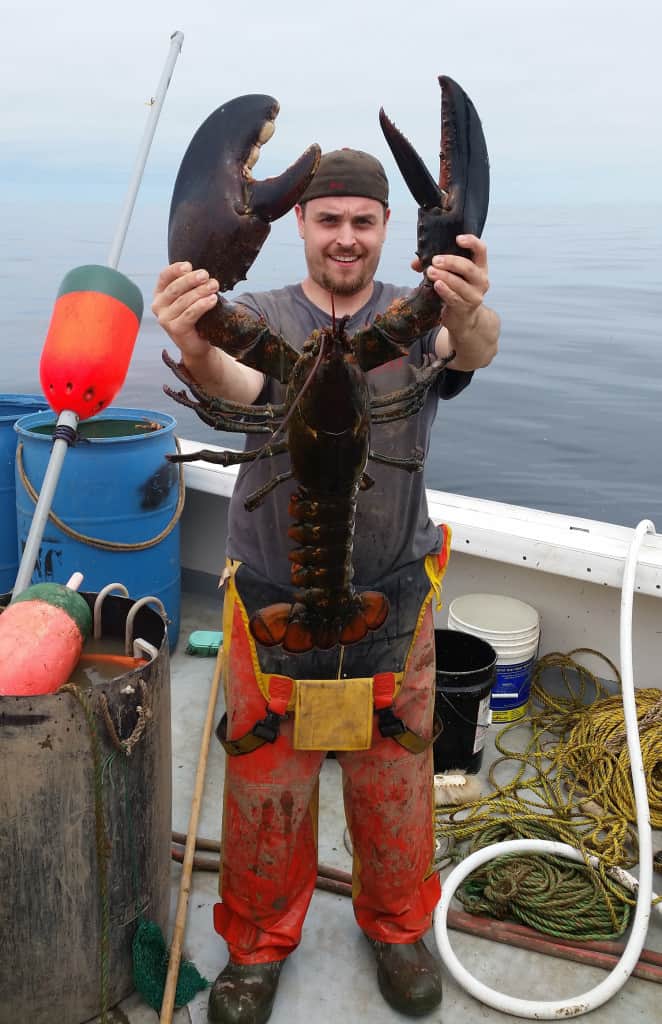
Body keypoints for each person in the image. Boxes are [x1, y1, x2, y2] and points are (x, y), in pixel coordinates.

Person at [152, 148, 499, 1024]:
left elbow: (473, 349)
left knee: (396, 779)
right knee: (268, 780)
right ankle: (257, 949)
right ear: (297, 225)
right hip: (274, 590)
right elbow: (233, 380)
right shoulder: (260, 316)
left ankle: (397, 928)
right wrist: (193, 337)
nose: (345, 237)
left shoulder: (412, 319)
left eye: (363, 221)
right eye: (328, 218)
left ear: (386, 230)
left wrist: (464, 297)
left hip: (393, 590)